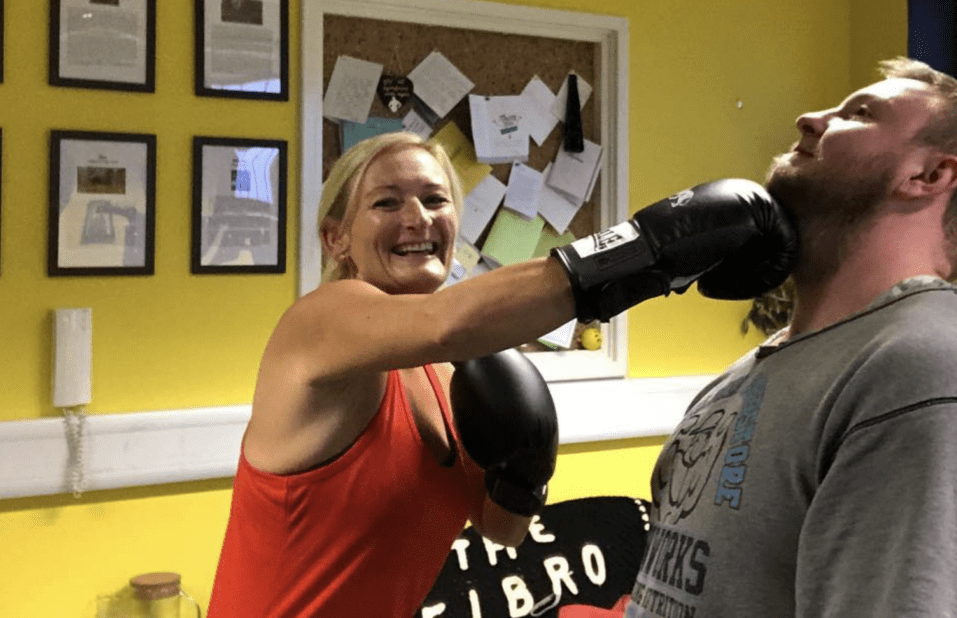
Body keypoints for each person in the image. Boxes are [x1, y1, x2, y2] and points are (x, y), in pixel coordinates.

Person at [206, 131, 797, 618]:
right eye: (387, 203)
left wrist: (523, 467)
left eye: (436, 201)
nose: (417, 217)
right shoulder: (318, 326)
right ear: (337, 239)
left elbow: (502, 531)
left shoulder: (447, 375)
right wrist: (650, 247)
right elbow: (448, 321)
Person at [624, 57, 957, 618]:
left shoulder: (935, 370)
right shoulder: (756, 371)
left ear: (930, 177)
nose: (809, 118)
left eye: (859, 114)